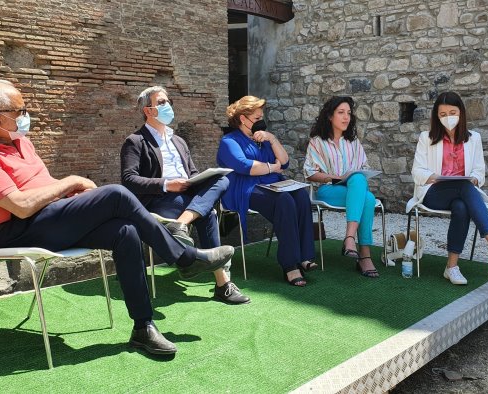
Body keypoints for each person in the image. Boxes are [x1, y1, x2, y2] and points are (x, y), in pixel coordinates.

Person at [0, 78, 236, 356]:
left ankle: (143, 327)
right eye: (20, 111)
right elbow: (21, 206)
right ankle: (185, 258)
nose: (26, 116)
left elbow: (43, 186)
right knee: (116, 194)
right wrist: (71, 181)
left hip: (47, 219)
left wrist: (73, 198)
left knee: (126, 232)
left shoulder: (19, 141)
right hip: (15, 229)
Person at [120, 86, 249, 305]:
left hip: (187, 199)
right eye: (161, 103)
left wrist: (200, 179)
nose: (168, 105)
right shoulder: (135, 141)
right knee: (207, 213)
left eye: (168, 101)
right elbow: (128, 179)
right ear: (148, 111)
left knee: (223, 179)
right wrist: (167, 184)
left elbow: (192, 173)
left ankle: (181, 225)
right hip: (160, 200)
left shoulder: (178, 141)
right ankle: (222, 284)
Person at [408, 91, 488, 285]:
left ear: (461, 114)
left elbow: (479, 172)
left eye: (452, 112)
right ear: (437, 116)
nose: (448, 118)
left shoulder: (474, 138)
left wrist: (474, 180)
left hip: (462, 194)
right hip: (433, 193)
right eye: (443, 114)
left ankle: (451, 267)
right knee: (462, 185)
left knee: (461, 206)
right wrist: (434, 177)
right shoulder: (426, 138)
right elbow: (417, 171)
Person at [217, 96, 316, 287]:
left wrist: (272, 138)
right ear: (242, 119)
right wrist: (272, 167)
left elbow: (285, 162)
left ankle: (304, 256)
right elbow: (247, 167)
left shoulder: (262, 139)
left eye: (261, 117)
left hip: (271, 185)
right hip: (245, 188)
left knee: (301, 196)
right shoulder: (229, 141)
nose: (260, 122)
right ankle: (290, 265)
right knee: (284, 200)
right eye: (256, 118)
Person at [303, 96, 379, 278]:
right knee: (365, 195)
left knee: (364, 190)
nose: (346, 117)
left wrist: (351, 178)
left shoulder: (354, 142)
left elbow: (364, 169)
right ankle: (363, 254)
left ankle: (350, 239)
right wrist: (338, 177)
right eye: (341, 113)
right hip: (328, 190)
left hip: (354, 190)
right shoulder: (317, 141)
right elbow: (310, 173)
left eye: (349, 114)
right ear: (330, 116)